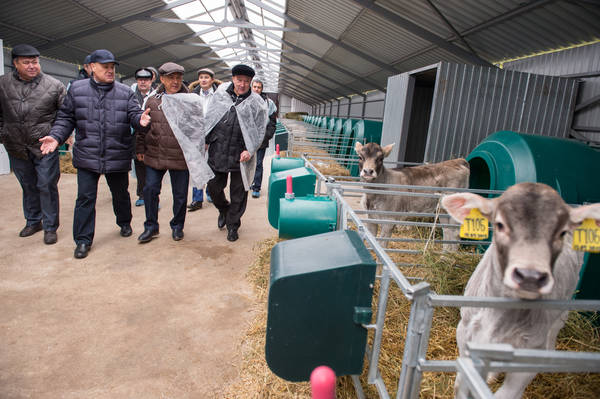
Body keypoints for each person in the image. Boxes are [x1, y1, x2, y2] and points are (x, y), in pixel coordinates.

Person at [39, 49, 151, 259]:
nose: (110, 71)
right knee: (85, 198)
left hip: (116, 153)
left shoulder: (125, 92)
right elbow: (65, 119)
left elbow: (135, 114)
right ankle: (82, 240)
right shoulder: (77, 90)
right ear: (91, 68)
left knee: (120, 194)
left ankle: (124, 222)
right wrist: (56, 137)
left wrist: (140, 121)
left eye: (112, 67)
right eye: (105, 67)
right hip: (88, 155)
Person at [0, 44, 66, 245]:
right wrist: (3, 134)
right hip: (16, 145)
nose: (32, 66)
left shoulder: (54, 86)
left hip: (44, 145)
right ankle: (33, 220)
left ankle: (50, 226)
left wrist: (55, 137)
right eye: (26, 62)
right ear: (15, 63)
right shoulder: (2, 84)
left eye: (35, 62)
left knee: (46, 184)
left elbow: (65, 116)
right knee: (27, 185)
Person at [205, 64, 267, 242]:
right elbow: (210, 117)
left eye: (246, 81)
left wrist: (251, 149)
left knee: (238, 193)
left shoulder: (256, 103)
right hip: (219, 148)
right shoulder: (221, 95)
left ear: (251, 83)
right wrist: (206, 139)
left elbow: (260, 128)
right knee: (214, 187)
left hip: (241, 154)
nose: (242, 84)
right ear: (233, 79)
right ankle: (224, 210)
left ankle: (233, 225)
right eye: (239, 80)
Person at [136, 62, 189, 243]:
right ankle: (151, 226)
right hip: (155, 153)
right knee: (150, 189)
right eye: (171, 78)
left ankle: (177, 226)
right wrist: (140, 148)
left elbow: (197, 129)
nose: (175, 81)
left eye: (178, 77)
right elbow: (143, 126)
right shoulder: (152, 100)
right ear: (162, 79)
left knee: (180, 194)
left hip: (180, 155)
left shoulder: (190, 100)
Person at [187, 67, 220, 211]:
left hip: (214, 136)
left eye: (206, 77)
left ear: (212, 80)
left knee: (212, 165)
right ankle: (197, 198)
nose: (203, 80)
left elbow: (220, 117)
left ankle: (210, 192)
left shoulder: (219, 95)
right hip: (197, 135)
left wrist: (209, 138)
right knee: (197, 167)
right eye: (201, 77)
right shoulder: (193, 95)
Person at [250, 79, 277, 198]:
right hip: (247, 139)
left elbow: (272, 123)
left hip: (261, 139)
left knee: (258, 163)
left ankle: (256, 187)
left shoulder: (269, 103)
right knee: (245, 162)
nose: (256, 89)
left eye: (258, 87)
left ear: (262, 89)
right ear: (251, 87)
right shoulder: (245, 100)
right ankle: (249, 182)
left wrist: (266, 136)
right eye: (254, 87)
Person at [132, 67, 154, 207]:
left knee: (152, 167)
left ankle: (152, 197)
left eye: (146, 80)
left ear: (151, 81)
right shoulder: (131, 95)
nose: (143, 82)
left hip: (152, 135)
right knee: (139, 166)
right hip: (135, 136)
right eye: (140, 80)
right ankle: (141, 194)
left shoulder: (157, 96)